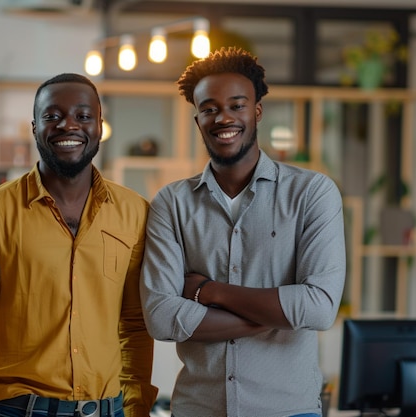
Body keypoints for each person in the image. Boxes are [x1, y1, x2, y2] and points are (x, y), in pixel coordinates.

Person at [140, 47, 346, 417]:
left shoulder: (312, 194)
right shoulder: (171, 203)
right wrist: (275, 314)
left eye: (237, 105)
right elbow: (161, 315)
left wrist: (209, 291)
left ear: (257, 111)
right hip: (198, 409)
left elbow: (318, 307)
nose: (224, 117)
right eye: (210, 108)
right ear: (198, 118)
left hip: (288, 410)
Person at [0, 73, 158, 417]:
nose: (68, 126)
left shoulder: (135, 213)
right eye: (52, 116)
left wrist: (135, 409)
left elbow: (134, 326)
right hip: (18, 410)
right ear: (34, 127)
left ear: (99, 125)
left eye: (83, 116)